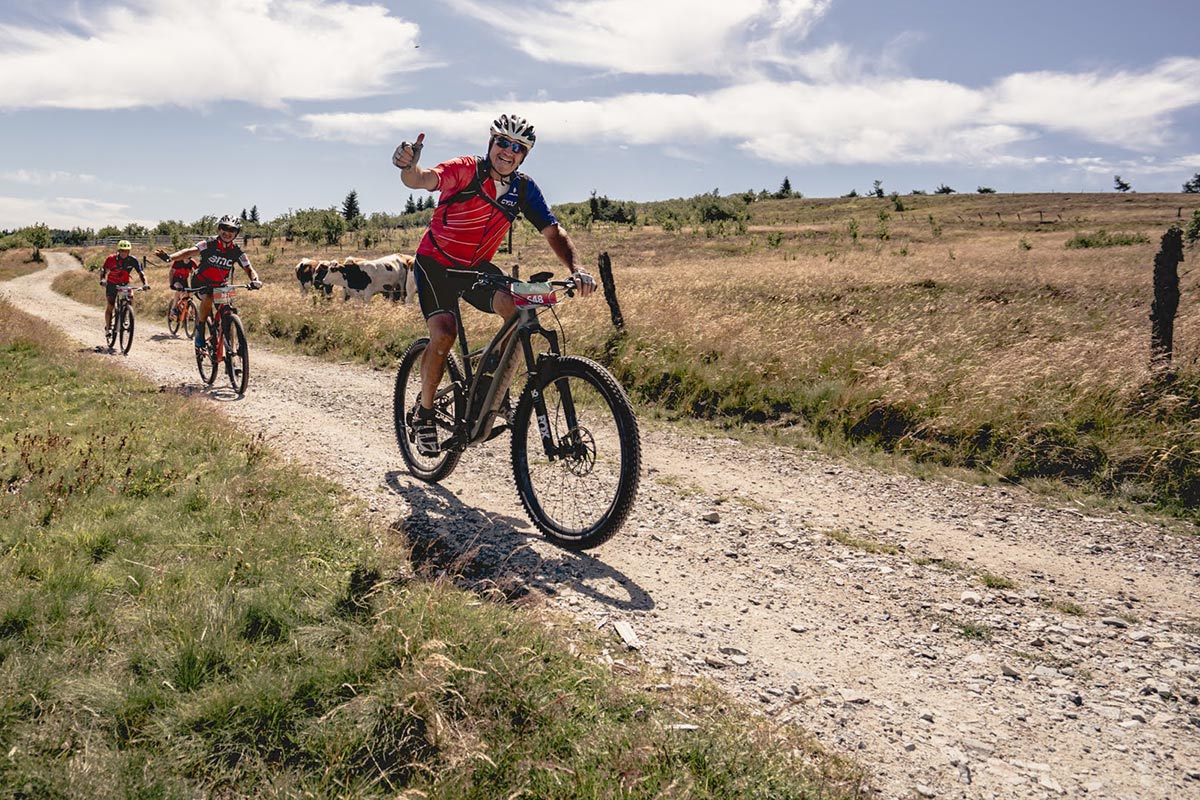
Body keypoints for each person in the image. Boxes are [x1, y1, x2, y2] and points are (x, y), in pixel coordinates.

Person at [391, 113, 596, 456]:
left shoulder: (524, 189)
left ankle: (493, 391)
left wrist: (577, 268)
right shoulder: (466, 169)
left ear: (524, 155)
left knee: (521, 308)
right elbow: (422, 179)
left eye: (518, 147)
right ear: (491, 143)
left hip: (475, 268)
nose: (508, 151)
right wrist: (408, 166)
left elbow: (552, 231)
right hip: (436, 264)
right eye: (503, 142)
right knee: (443, 333)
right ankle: (424, 413)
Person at [165, 215, 261, 352]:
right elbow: (189, 252)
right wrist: (170, 257)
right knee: (209, 297)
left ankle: (230, 349)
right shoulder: (209, 243)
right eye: (224, 228)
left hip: (220, 284)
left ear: (236, 233)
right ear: (218, 229)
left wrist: (255, 280)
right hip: (200, 281)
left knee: (228, 309)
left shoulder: (237, 251)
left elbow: (249, 269)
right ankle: (200, 329)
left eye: (232, 230)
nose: (227, 233)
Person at [99, 240, 148, 334]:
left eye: (126, 251)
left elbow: (141, 273)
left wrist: (145, 284)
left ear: (129, 251)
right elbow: (103, 270)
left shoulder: (132, 260)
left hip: (124, 283)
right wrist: (102, 280)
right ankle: (108, 327)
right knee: (111, 305)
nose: (124, 253)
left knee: (130, 297)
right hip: (112, 283)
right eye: (122, 250)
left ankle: (126, 313)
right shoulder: (111, 258)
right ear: (118, 250)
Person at [155, 247, 197, 320]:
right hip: (176, 279)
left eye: (189, 258)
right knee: (179, 289)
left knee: (188, 295)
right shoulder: (178, 262)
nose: (187, 260)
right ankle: (174, 308)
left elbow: (198, 271)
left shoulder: (192, 262)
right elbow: (171, 272)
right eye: (186, 257)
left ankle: (190, 314)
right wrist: (171, 284)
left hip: (184, 280)